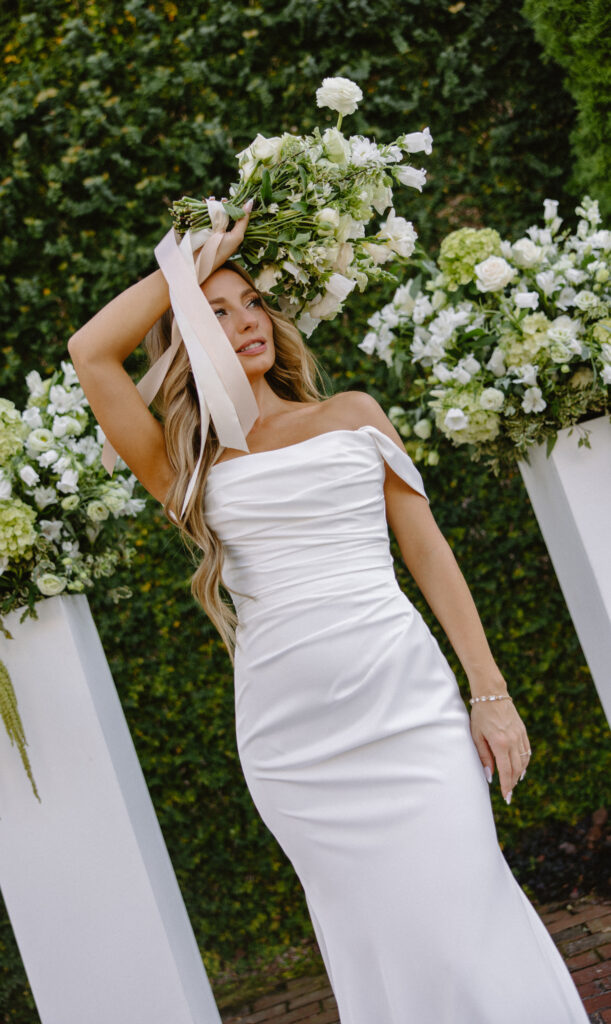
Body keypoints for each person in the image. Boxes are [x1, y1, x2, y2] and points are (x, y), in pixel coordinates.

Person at [68, 209, 588, 1023]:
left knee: (464, 919)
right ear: (184, 339)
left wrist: (489, 691)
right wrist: (198, 258)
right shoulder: (183, 462)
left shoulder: (351, 413)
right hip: (294, 745)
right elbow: (91, 353)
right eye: (214, 312)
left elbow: (428, 551)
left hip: (407, 708)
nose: (244, 322)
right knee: (376, 935)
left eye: (250, 303)